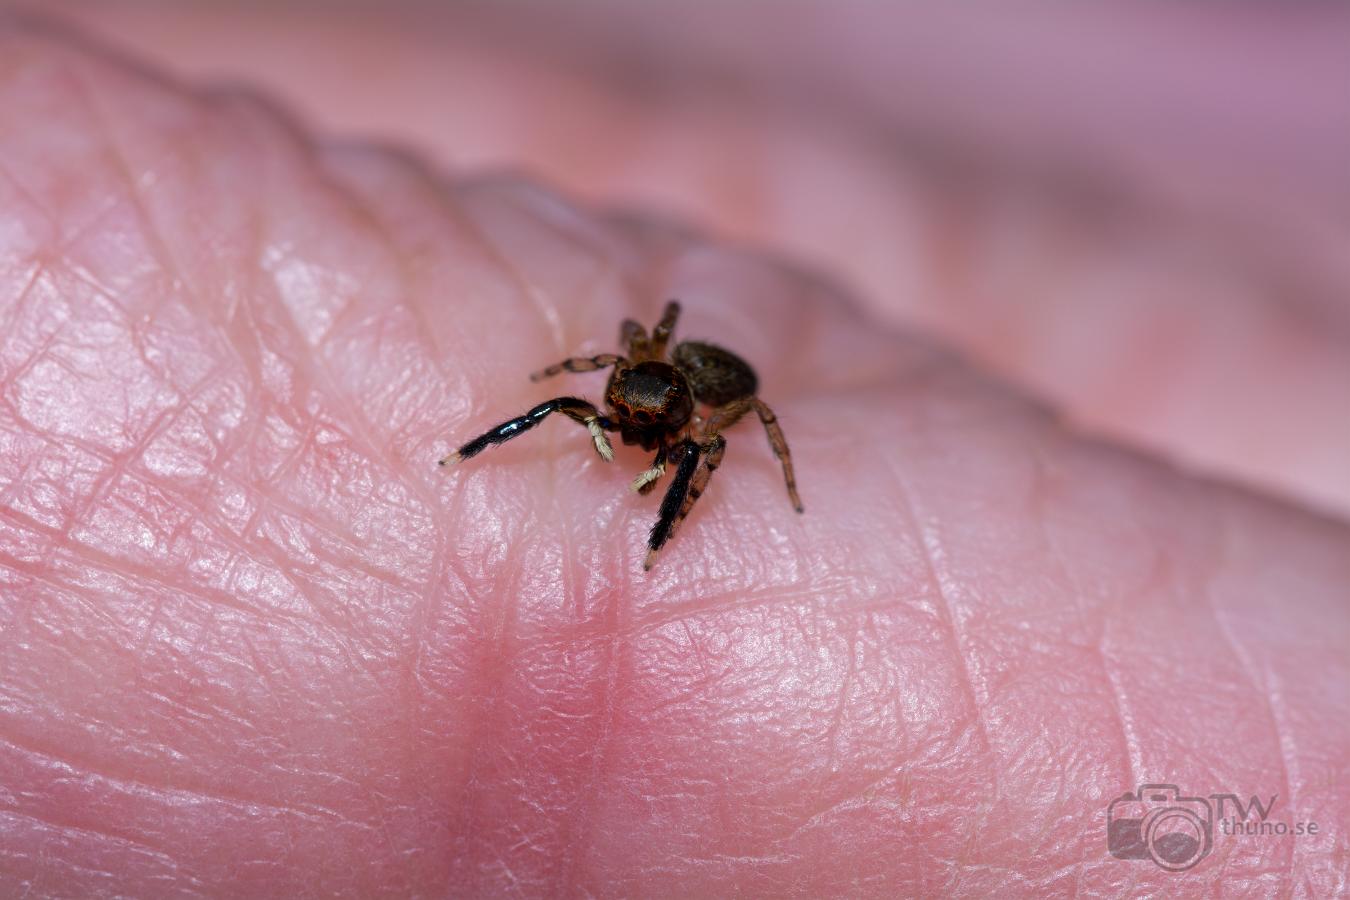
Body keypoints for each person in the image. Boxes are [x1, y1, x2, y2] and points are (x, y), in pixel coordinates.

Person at [2, 5, 1346, 896]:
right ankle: (495, 459)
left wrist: (705, 496)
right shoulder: (621, 379)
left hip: (736, 375)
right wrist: (531, 407)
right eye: (629, 404)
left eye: (646, 420)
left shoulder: (704, 417)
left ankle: (649, 532)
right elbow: (603, 368)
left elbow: (737, 414)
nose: (635, 424)